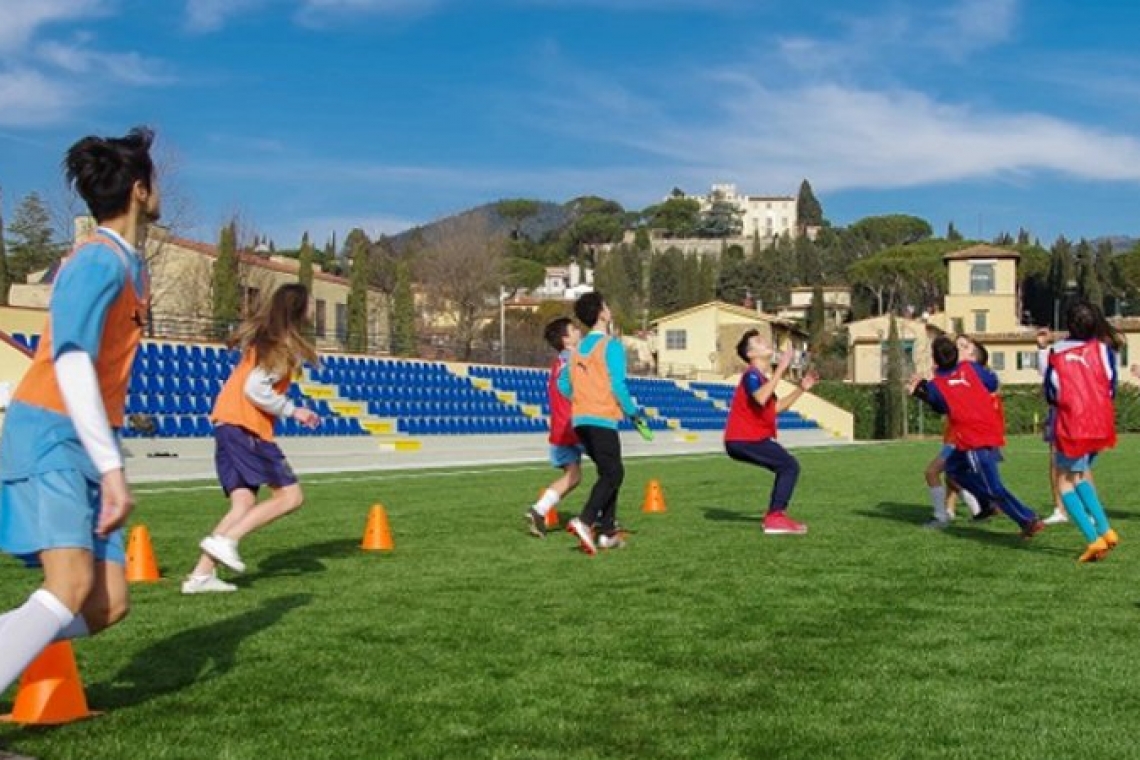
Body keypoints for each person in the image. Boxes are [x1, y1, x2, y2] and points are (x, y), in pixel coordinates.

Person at [0, 127, 159, 692]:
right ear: (140, 190)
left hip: (90, 443)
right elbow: (71, 361)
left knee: (107, 603)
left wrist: (108, 459)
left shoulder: (132, 266)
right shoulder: (96, 261)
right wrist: (112, 469)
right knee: (67, 585)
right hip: (50, 432)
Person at [182, 284, 321, 593]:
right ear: (298, 308)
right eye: (311, 304)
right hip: (246, 428)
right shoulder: (282, 346)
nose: (313, 310)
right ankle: (228, 541)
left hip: (227, 424)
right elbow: (255, 389)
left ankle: (200, 577)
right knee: (290, 497)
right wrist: (294, 410)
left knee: (243, 503)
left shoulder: (266, 339)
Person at [908, 335, 1044, 539]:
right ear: (956, 355)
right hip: (984, 429)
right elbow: (992, 383)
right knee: (953, 470)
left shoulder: (937, 384)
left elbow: (940, 406)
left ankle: (1027, 519)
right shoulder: (970, 369)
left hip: (973, 437)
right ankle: (986, 503)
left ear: (934, 359)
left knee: (993, 486)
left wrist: (920, 391)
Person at [557, 291, 643, 555]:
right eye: (606, 305)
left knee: (609, 472)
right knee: (614, 473)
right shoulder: (610, 345)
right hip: (602, 418)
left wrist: (582, 398)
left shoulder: (576, 351)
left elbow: (563, 385)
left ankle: (607, 532)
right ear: (601, 313)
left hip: (580, 420)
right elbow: (618, 385)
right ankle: (585, 520)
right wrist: (633, 412)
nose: (609, 309)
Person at [1043, 300, 1120, 562]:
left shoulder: (1057, 351)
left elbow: (1052, 390)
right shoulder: (1103, 349)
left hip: (1073, 424)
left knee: (1064, 481)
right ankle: (1106, 530)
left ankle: (1093, 538)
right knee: (1078, 476)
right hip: (1100, 423)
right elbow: (1111, 385)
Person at [724, 330, 817, 535]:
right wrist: (781, 368)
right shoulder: (751, 375)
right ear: (751, 354)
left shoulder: (762, 379)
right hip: (743, 439)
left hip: (748, 439)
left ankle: (776, 515)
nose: (766, 342)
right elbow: (760, 398)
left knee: (787, 466)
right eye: (759, 341)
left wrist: (801, 388)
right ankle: (775, 517)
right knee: (789, 466)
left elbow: (775, 408)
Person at [525, 317, 583, 537]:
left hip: (560, 428)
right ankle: (601, 519)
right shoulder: (574, 359)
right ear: (566, 339)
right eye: (573, 329)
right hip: (576, 424)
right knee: (609, 469)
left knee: (573, 476)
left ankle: (539, 510)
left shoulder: (558, 363)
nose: (579, 331)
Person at [921, 335, 987, 529]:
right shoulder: (958, 376)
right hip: (957, 435)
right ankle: (978, 509)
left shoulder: (967, 377)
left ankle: (942, 516)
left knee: (933, 472)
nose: (959, 349)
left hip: (960, 437)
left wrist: (924, 389)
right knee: (953, 476)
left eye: (964, 346)